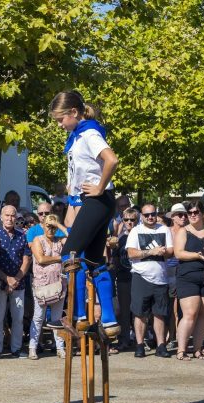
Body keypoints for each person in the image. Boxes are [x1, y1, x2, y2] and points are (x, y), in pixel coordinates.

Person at [48, 90, 119, 335]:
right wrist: (73, 202)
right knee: (94, 259)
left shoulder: (89, 133)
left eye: (61, 119)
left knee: (70, 255)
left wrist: (99, 186)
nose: (59, 125)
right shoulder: (77, 136)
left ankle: (77, 314)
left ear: (74, 112)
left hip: (98, 199)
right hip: (91, 201)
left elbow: (112, 160)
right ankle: (109, 320)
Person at [173, 200, 204, 361]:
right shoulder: (183, 231)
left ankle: (197, 349)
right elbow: (178, 253)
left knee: (203, 314)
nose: (193, 215)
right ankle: (181, 350)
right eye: (190, 213)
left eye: (196, 212)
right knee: (190, 313)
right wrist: (197, 255)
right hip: (188, 277)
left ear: (203, 213)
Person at [126, 204, 173, 358]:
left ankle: (161, 345)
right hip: (141, 276)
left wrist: (164, 252)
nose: (150, 217)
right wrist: (151, 251)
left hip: (161, 278)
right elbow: (131, 253)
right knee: (140, 313)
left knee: (160, 313)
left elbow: (171, 251)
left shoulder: (164, 229)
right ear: (142, 216)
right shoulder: (136, 231)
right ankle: (140, 345)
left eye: (153, 214)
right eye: (147, 215)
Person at [0, 205, 32, 358]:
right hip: (0, 282)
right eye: (7, 215)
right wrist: (7, 279)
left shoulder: (22, 235)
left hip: (19, 283)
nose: (10, 218)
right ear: (1, 217)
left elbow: (26, 260)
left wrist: (16, 279)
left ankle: (16, 348)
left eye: (13, 215)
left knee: (18, 318)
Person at [30, 214, 66, 359]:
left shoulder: (60, 241)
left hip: (58, 284)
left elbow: (72, 239)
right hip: (42, 284)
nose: (50, 229)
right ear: (43, 226)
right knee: (38, 317)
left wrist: (59, 225)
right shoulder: (37, 239)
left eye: (53, 227)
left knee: (58, 318)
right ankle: (32, 347)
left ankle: (60, 347)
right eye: (48, 226)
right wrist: (60, 258)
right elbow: (41, 259)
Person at [113, 208, 139, 350]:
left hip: (139, 277)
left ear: (137, 220)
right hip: (124, 277)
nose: (129, 222)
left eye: (132, 219)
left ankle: (139, 339)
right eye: (126, 219)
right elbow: (116, 259)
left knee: (139, 310)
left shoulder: (141, 235)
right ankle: (124, 339)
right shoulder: (120, 238)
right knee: (124, 311)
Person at [165, 203, 188, 347]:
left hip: (184, 269)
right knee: (170, 307)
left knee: (182, 308)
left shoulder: (188, 231)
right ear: (173, 217)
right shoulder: (166, 231)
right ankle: (169, 336)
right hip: (168, 271)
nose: (183, 217)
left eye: (185, 215)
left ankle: (177, 337)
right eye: (180, 215)